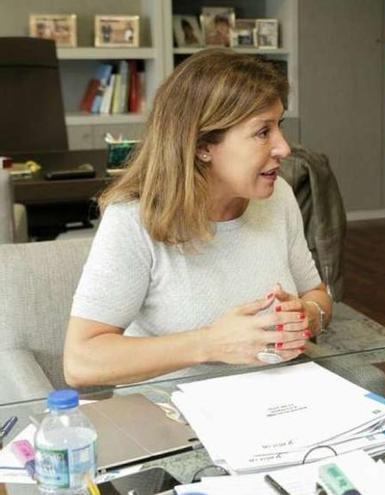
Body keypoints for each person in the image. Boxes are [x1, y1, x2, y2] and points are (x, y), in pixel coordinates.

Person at [63, 49, 332, 386]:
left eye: (279, 125)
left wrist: (307, 316)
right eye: (263, 132)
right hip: (172, 417)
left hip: (278, 400)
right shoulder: (132, 219)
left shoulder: (279, 197)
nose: (284, 147)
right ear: (202, 145)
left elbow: (316, 293)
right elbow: (80, 363)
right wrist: (210, 343)